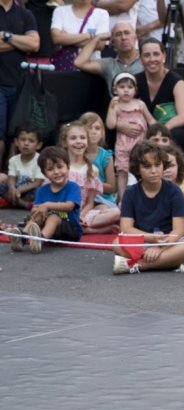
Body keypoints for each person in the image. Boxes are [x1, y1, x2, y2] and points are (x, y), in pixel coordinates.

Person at [113, 141, 184, 273]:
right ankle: (176, 262)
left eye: (157, 165)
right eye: (147, 166)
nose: (154, 171)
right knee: (117, 243)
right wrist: (151, 238)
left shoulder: (174, 191)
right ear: (137, 169)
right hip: (143, 240)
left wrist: (160, 248)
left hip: (170, 242)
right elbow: (126, 228)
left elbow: (179, 230)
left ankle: (138, 265)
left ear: (163, 165)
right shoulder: (130, 193)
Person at [9, 147, 82, 253]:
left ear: (68, 167)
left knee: (53, 217)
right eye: (50, 169)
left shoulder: (73, 187)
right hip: (49, 228)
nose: (56, 172)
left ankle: (39, 240)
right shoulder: (42, 190)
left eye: (60, 167)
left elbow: (69, 206)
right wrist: (37, 212)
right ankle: (22, 238)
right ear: (44, 174)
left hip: (71, 230)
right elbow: (35, 208)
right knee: (37, 214)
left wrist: (47, 205)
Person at [134, 38, 184, 151]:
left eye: (156, 54)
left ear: (164, 57)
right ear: (141, 59)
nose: (152, 59)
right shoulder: (135, 80)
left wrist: (161, 130)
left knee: (178, 134)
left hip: (169, 127)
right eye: (147, 55)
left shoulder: (175, 80)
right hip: (142, 127)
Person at [0, 0, 39, 163]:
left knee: (17, 132)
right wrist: (20, 43)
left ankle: (11, 176)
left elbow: (35, 44)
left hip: (20, 82)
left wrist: (6, 36)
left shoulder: (25, 13)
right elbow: (27, 43)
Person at [107, 72, 156, 201]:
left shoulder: (140, 105)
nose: (126, 90)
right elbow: (110, 124)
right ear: (115, 90)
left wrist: (157, 132)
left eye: (130, 87)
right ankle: (123, 199)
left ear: (135, 90)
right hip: (123, 146)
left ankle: (143, 196)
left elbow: (151, 120)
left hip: (140, 144)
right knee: (122, 172)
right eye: (122, 87)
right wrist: (111, 107)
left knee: (141, 169)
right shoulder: (116, 107)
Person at [74, 22, 143, 95]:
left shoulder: (146, 60)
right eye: (118, 34)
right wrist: (98, 38)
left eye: (127, 33)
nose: (123, 37)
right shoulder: (109, 64)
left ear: (135, 37)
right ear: (112, 42)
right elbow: (79, 62)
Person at [50, 0, 109, 71]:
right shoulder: (60, 11)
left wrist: (66, 39)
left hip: (91, 68)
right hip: (66, 67)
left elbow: (100, 44)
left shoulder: (101, 13)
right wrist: (87, 36)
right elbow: (56, 38)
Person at [0, 127, 44, 210]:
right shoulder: (13, 160)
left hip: (30, 190)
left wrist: (20, 190)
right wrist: (12, 189)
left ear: (39, 145)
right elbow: (11, 178)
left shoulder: (40, 159)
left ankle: (17, 203)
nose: (26, 143)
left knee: (40, 190)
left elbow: (38, 182)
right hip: (17, 190)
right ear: (16, 142)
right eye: (23, 140)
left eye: (31, 141)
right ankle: (19, 202)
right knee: (2, 186)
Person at [161, 144, 184, 218]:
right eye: (164, 166)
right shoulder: (152, 187)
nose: (167, 170)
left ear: (178, 166)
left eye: (172, 165)